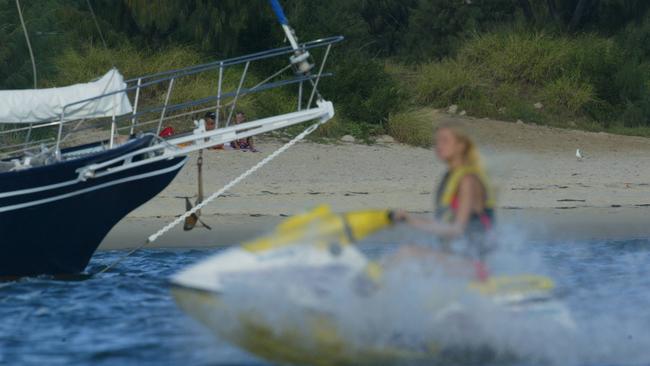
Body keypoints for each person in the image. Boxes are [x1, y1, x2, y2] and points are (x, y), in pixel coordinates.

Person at [392, 123, 495, 279]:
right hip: (456, 261)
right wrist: (409, 220)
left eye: (445, 141)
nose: (438, 146)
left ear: (461, 146)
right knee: (400, 255)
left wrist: (412, 221)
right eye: (437, 141)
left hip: (474, 268)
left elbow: (457, 229)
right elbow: (444, 226)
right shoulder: (450, 177)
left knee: (408, 253)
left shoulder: (467, 180)